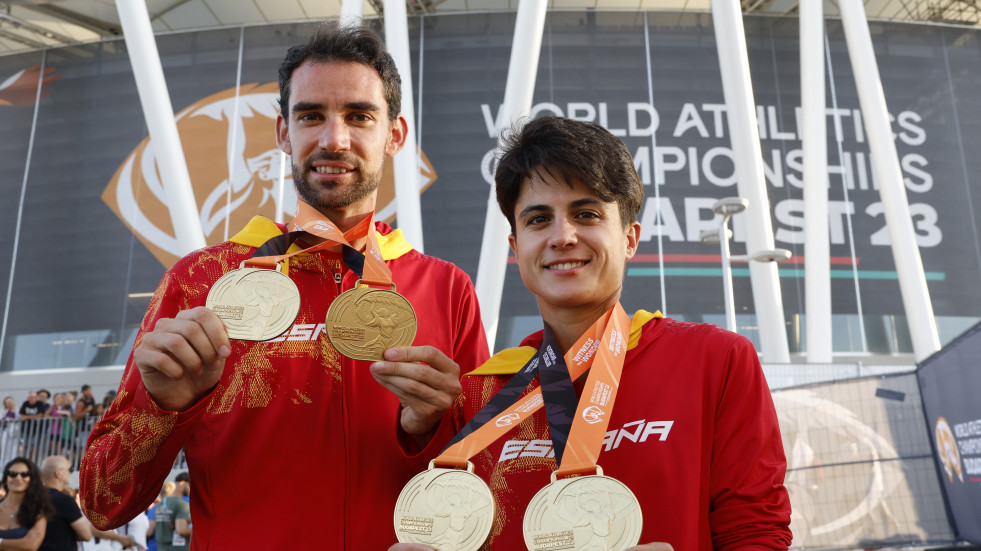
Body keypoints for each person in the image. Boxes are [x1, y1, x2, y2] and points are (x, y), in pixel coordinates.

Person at [79, 22, 489, 549]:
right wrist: (163, 412)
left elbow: (488, 489)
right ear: (282, 133)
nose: (333, 139)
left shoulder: (446, 287)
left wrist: (430, 430)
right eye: (311, 115)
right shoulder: (203, 280)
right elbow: (101, 501)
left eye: (359, 117)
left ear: (394, 136)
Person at [392, 116, 792, 550]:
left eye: (586, 214)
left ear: (630, 238)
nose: (563, 236)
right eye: (538, 220)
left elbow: (756, 534)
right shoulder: (481, 394)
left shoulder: (714, 360)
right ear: (517, 248)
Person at [37, 455, 99, 551]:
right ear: (58, 474)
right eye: (70, 469)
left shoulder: (33, 498)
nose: (72, 472)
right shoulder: (64, 500)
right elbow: (86, 535)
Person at [0, 457, 53, 551]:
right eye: (13, 474)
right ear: (5, 479)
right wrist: (21, 542)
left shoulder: (38, 511)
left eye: (25, 474)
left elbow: (31, 546)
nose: (18, 478)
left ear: (32, 479)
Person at [153, 476, 190, 551]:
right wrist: (195, 533)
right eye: (190, 485)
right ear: (183, 484)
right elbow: (181, 530)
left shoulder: (160, 505)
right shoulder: (181, 504)